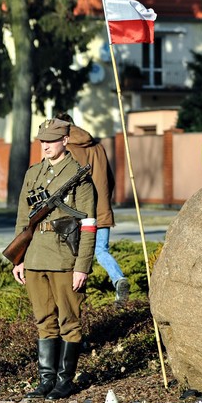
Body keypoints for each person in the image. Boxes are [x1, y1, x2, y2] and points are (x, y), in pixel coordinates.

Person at [12, 118, 96, 400]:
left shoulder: (79, 176)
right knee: (43, 320)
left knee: (69, 321)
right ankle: (46, 380)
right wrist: (18, 258)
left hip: (64, 258)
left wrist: (82, 266)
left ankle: (64, 380)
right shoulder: (33, 173)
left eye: (51, 140)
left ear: (65, 141)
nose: (45, 146)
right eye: (42, 141)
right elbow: (23, 220)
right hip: (35, 256)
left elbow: (88, 225)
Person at [55, 113, 129, 305]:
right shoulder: (98, 146)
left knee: (74, 255)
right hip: (102, 209)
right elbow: (110, 180)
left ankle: (77, 300)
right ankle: (118, 279)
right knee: (101, 250)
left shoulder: (66, 149)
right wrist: (104, 200)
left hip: (77, 212)